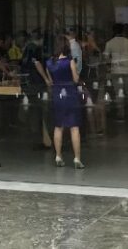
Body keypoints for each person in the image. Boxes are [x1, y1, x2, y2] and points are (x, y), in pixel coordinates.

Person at [46, 36, 85, 168]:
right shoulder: (69, 61)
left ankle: (58, 156)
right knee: (74, 128)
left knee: (58, 127)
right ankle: (77, 159)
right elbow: (75, 79)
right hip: (70, 95)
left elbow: (51, 81)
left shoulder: (49, 63)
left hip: (57, 95)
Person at [103, 24, 128, 120]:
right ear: (123, 31)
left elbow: (106, 58)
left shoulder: (109, 43)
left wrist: (110, 65)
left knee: (119, 93)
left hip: (116, 71)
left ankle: (121, 114)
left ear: (113, 31)